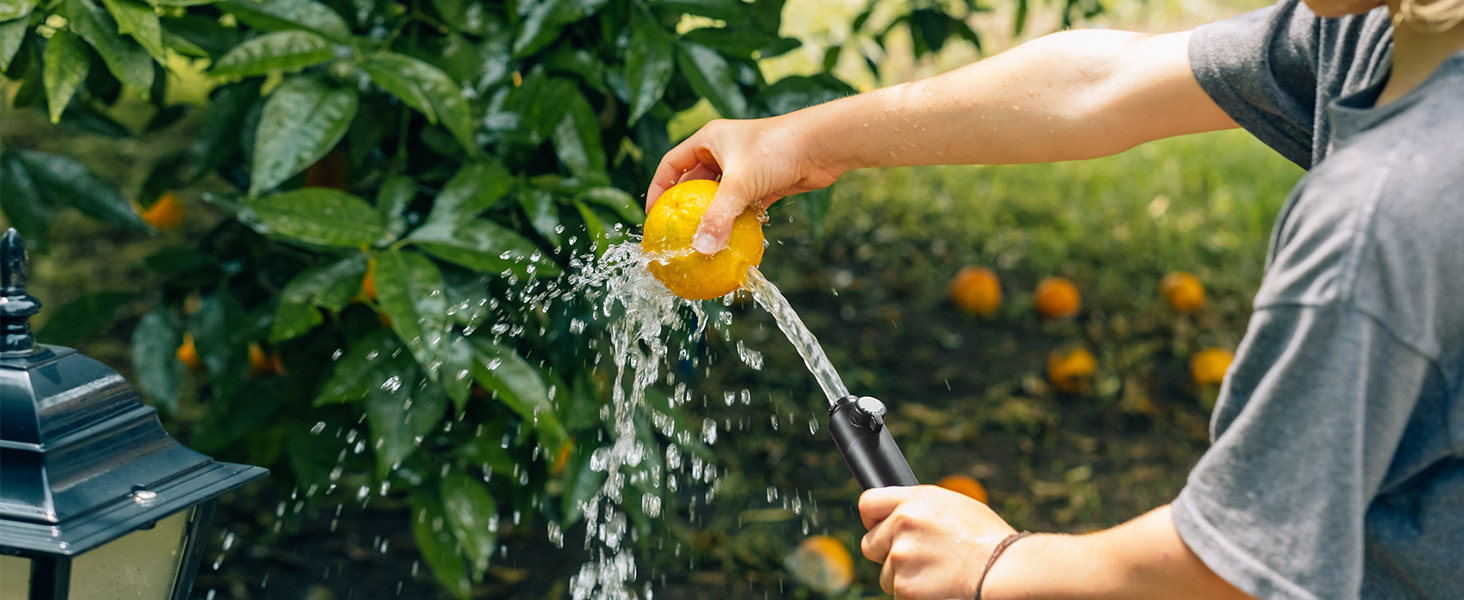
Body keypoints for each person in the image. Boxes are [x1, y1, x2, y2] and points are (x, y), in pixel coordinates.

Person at [645, 0, 1464, 596]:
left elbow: (1241, 565)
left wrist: (998, 565)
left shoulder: (1383, 210)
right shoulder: (1389, 34)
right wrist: (802, 140)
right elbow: (1104, 82)